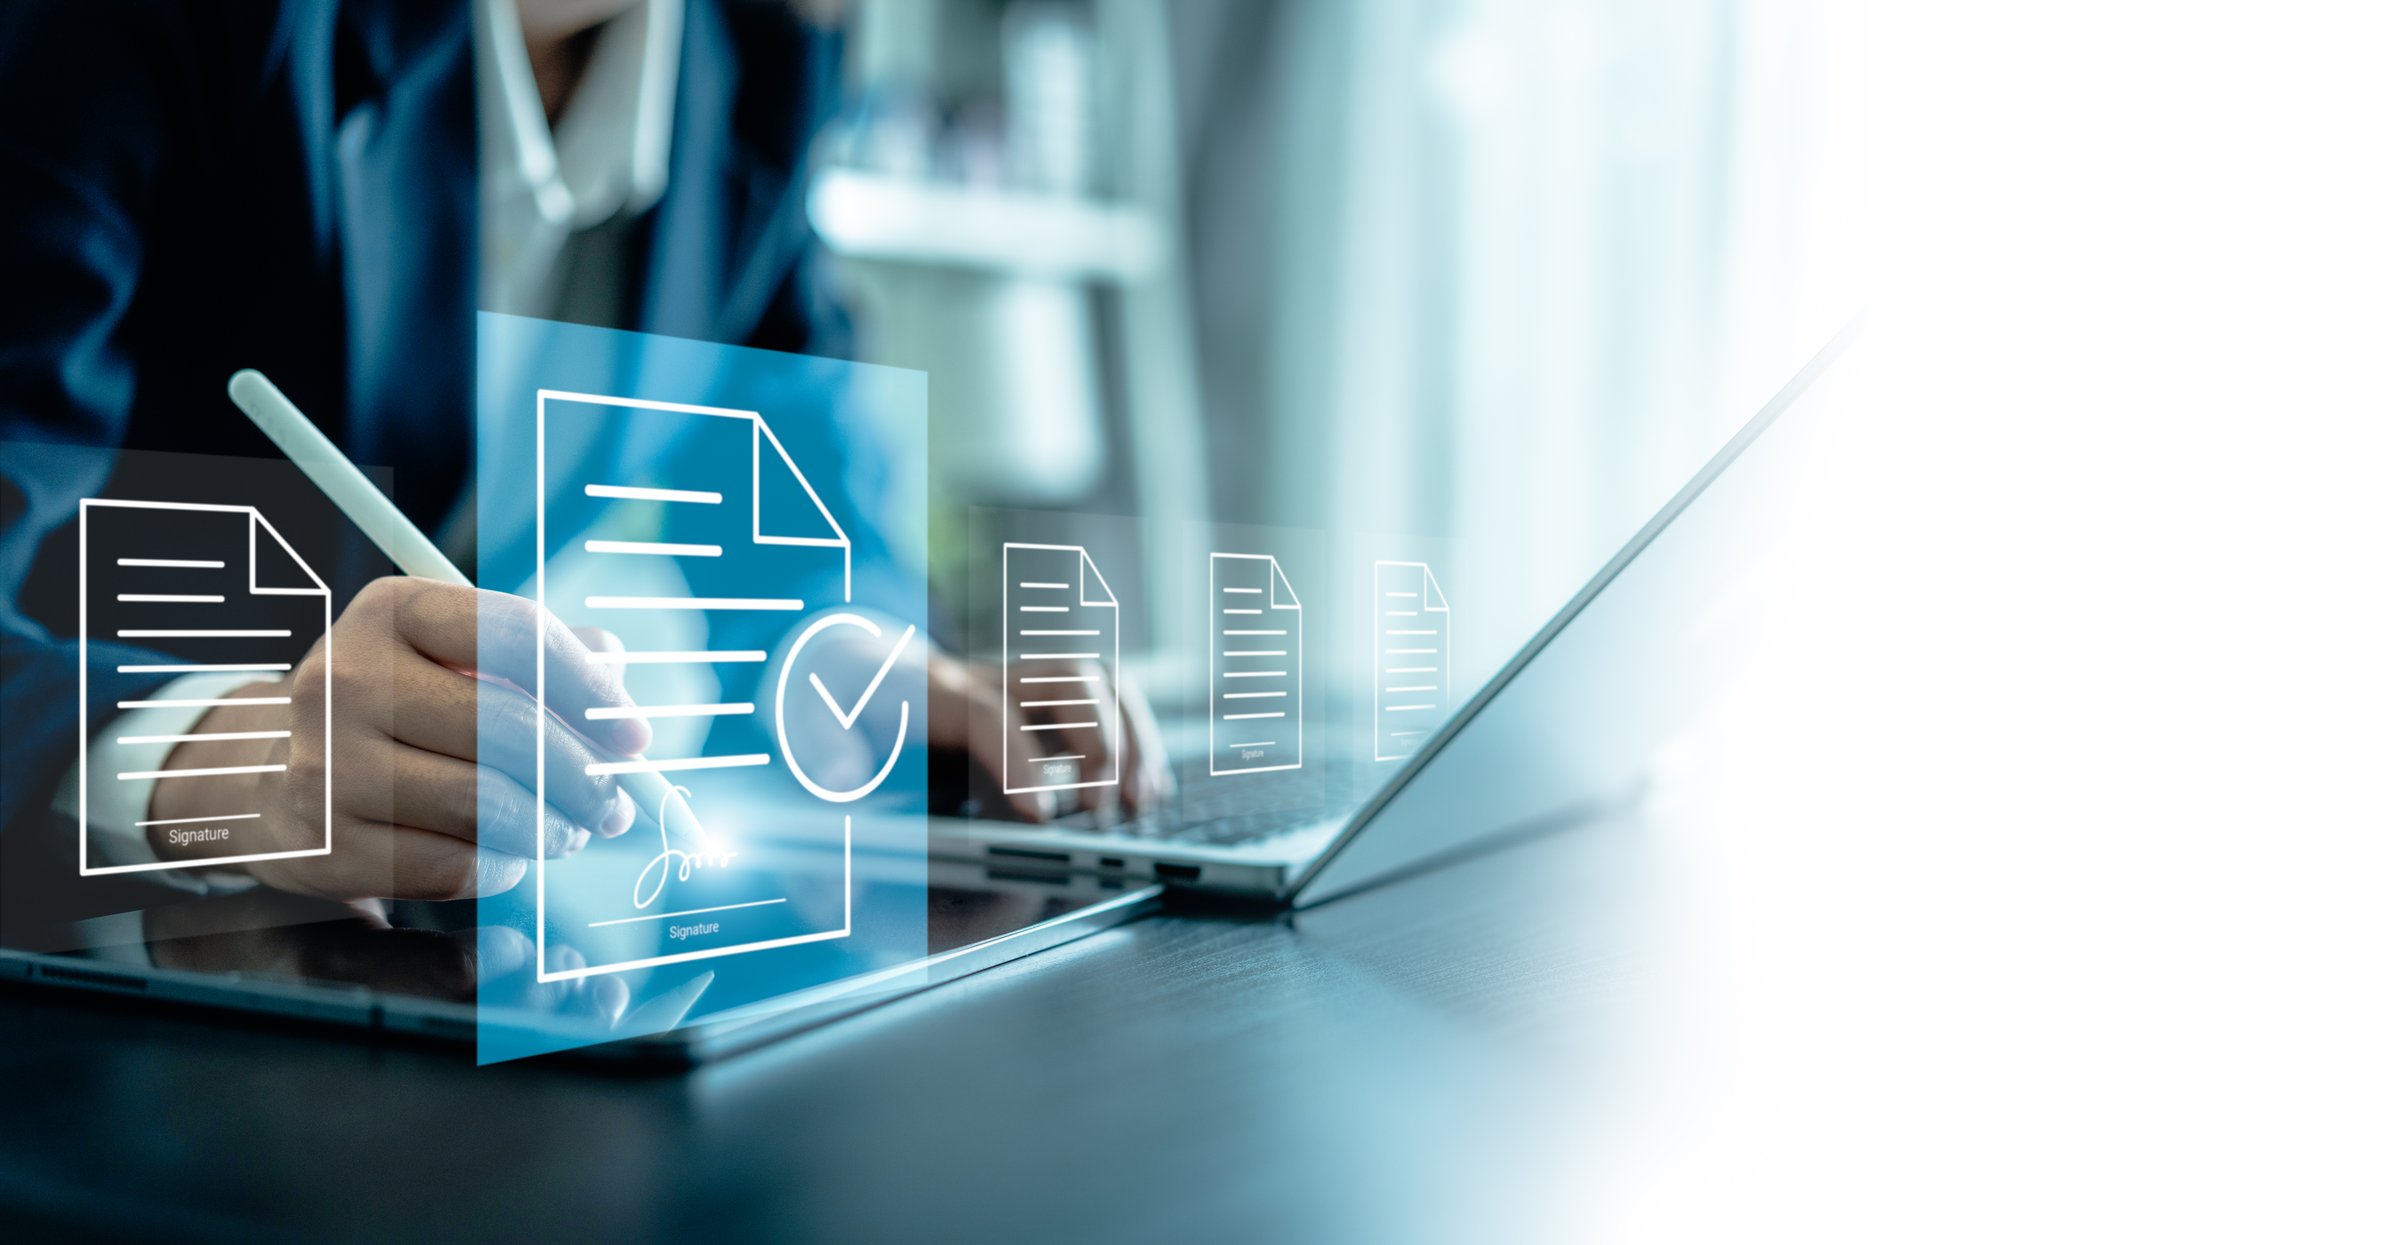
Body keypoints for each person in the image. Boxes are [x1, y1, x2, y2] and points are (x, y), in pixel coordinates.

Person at [0, 0, 1166, 904]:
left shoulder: (754, 63)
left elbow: (795, 485)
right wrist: (221, 764)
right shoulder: (144, 27)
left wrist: (864, 655)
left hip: (406, 945)